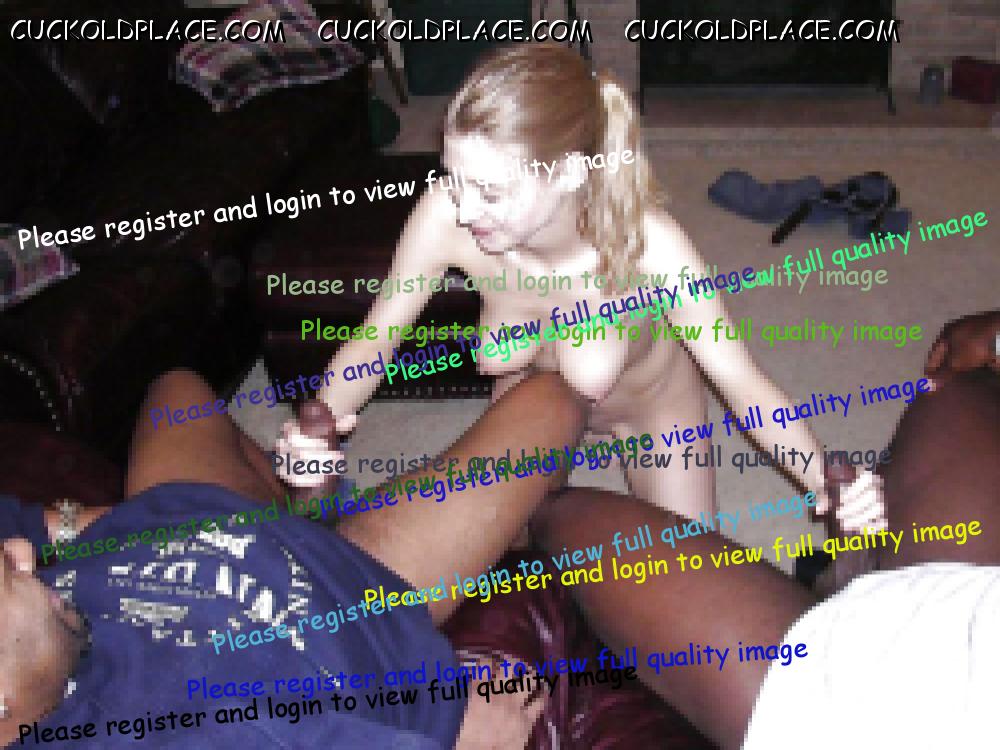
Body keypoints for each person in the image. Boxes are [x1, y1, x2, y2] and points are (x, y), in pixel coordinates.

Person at [279, 42, 883, 535]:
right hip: (532, 408)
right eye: (453, 179)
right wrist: (319, 424)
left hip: (653, 415)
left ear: (569, 173)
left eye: (489, 192)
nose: (463, 209)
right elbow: (380, 333)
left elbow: (740, 381)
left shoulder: (651, 246)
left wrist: (823, 480)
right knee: (501, 563)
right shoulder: (446, 214)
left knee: (681, 569)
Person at [0, 367, 591, 749]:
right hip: (359, 588)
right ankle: (312, 510)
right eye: (8, 574)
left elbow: (22, 527)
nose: (23, 554)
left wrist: (84, 526)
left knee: (178, 390)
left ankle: (303, 505)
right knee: (551, 401)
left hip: (182, 524)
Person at [528, 310, 1000, 750]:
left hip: (854, 717)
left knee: (548, 511)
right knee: (972, 361)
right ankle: (863, 576)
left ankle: (861, 586)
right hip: (975, 605)